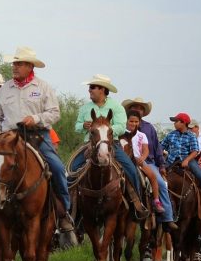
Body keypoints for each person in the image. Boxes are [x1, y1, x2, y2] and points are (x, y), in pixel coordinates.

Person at [0, 46, 77, 246]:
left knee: (58, 167)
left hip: (37, 136)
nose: (14, 67)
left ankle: (64, 214)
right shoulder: (5, 89)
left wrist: (35, 118)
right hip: (9, 137)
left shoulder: (42, 87)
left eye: (18, 64)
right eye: (14, 63)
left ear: (29, 66)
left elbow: (54, 113)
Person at [69, 74, 148, 219]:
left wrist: (106, 130)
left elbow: (121, 126)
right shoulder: (85, 108)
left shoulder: (116, 107)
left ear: (103, 90)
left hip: (112, 144)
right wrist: (83, 125)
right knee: (71, 171)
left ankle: (137, 204)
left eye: (93, 87)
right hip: (89, 144)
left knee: (131, 169)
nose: (90, 90)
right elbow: (77, 126)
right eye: (90, 87)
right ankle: (69, 211)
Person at [121, 97, 176, 230]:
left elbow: (156, 148)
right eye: (134, 107)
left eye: (140, 108)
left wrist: (161, 165)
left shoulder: (148, 128)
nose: (137, 109)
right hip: (125, 160)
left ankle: (166, 217)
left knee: (161, 183)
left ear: (143, 112)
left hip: (146, 161)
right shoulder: (121, 127)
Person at [160, 112, 201, 218]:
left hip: (188, 160)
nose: (174, 123)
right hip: (171, 160)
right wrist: (160, 158)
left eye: (176, 121)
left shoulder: (191, 136)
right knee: (159, 177)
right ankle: (157, 202)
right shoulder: (171, 134)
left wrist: (187, 160)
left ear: (184, 123)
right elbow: (161, 146)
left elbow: (195, 151)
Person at [122, 110, 164, 214]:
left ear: (139, 122)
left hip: (138, 161)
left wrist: (142, 158)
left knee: (153, 176)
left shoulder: (142, 135)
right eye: (131, 121)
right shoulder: (121, 133)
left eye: (136, 122)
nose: (134, 124)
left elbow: (146, 150)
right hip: (123, 160)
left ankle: (156, 201)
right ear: (127, 121)